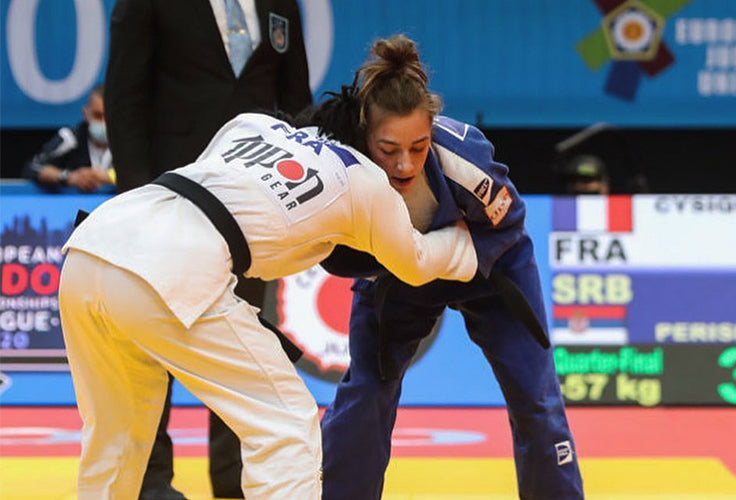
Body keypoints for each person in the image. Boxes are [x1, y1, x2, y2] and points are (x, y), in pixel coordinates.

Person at [59, 112, 478, 500]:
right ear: (370, 143)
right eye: (391, 151)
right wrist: (467, 242)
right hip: (169, 267)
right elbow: (416, 262)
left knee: (115, 437)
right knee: (286, 425)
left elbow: (219, 192)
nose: (402, 167)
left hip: (93, 243)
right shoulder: (365, 178)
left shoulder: (251, 123)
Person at [297, 35, 584, 499]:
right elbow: (331, 253)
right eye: (388, 149)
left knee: (538, 400)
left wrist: (439, 253)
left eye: (418, 145)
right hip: (399, 275)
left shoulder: (463, 159)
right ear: (365, 135)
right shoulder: (340, 169)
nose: (405, 163)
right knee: (367, 391)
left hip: (493, 273)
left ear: (432, 131)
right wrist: (397, 261)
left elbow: (508, 223)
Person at [104, 1, 313, 496]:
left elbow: (295, 99)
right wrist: (137, 197)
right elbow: (124, 95)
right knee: (151, 341)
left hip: (253, 204)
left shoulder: (281, 1)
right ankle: (151, 482)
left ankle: (234, 479)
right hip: (168, 196)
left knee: (242, 343)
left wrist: (301, 194)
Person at [21, 85, 115, 193]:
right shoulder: (70, 138)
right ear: (86, 113)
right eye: (97, 115)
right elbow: (32, 167)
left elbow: (138, 175)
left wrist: (107, 177)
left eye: (108, 116)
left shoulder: (128, 143)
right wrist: (69, 177)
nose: (103, 122)